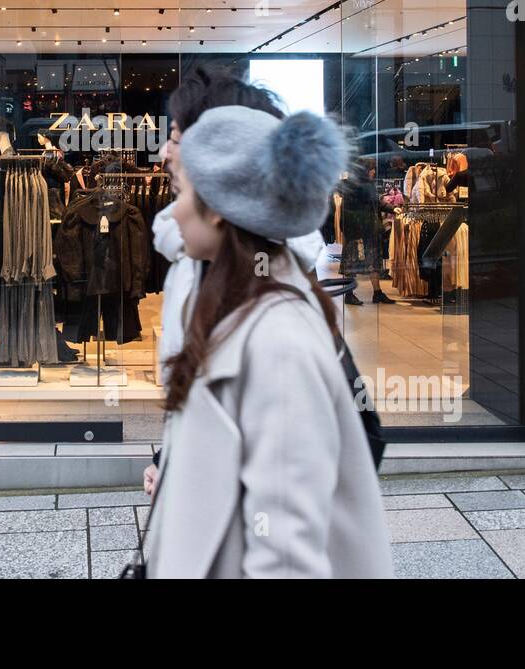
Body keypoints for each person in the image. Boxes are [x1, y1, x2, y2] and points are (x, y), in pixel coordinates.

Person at [144, 105, 393, 578]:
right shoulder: (239, 303)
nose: (172, 209)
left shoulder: (278, 344)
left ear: (216, 207)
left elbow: (285, 558)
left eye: (182, 191)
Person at [145, 66, 324, 497]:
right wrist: (168, 460)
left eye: (174, 137)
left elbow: (294, 496)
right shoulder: (193, 264)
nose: (164, 155)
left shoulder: (274, 312)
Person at [335, 157, 393, 306]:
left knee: (373, 261)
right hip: (357, 232)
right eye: (372, 169)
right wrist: (353, 230)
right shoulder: (353, 186)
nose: (374, 171)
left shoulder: (368, 185)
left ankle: (377, 293)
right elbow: (349, 211)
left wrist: (392, 209)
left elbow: (376, 203)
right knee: (351, 263)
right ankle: (348, 294)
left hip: (369, 231)